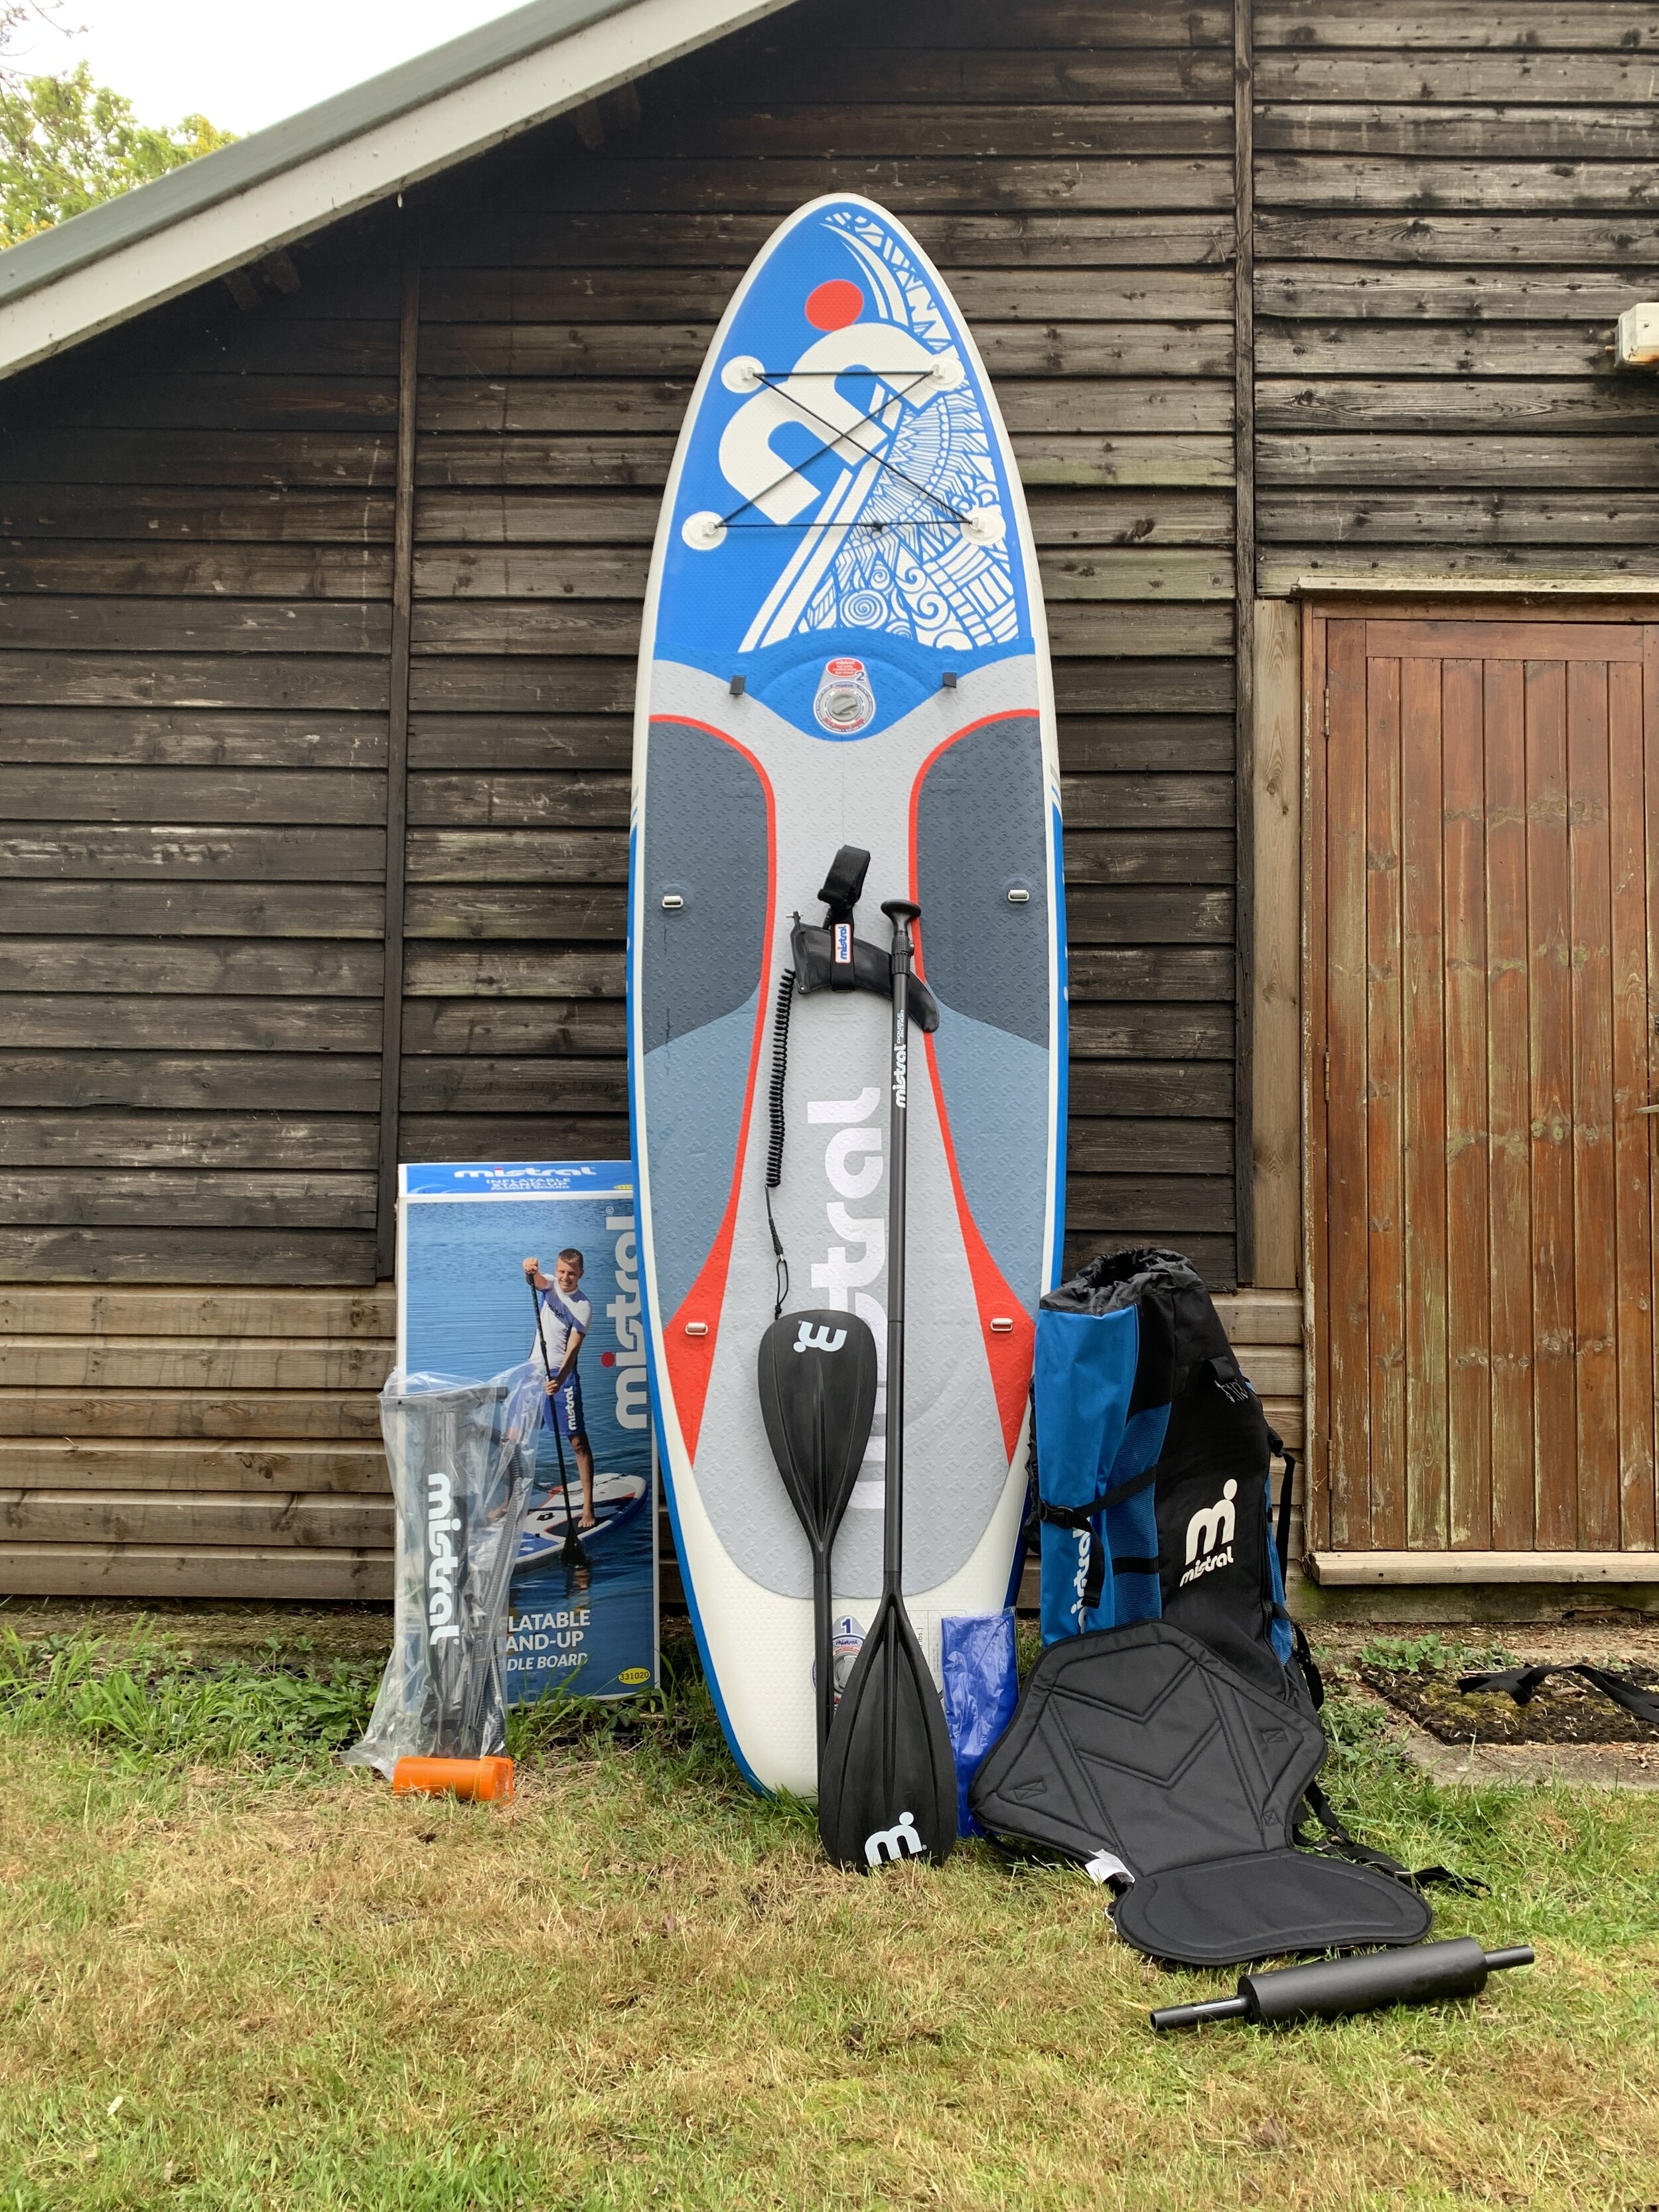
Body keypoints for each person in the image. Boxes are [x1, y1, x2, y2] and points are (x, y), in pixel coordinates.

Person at [523, 1248, 596, 1530]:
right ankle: (509, 1502)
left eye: (572, 1274)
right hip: (533, 1374)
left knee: (577, 1443)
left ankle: (587, 1507)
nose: (565, 1278)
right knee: (514, 1437)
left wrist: (560, 1379)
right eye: (562, 1271)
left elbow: (573, 1350)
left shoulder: (583, 1306)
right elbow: (536, 1281)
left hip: (561, 1377)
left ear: (581, 1275)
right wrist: (529, 1269)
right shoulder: (551, 1285)